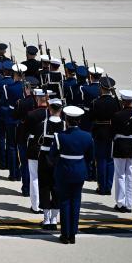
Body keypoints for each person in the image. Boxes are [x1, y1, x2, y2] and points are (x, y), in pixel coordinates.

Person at [52, 105, 94, 244]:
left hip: (64, 172)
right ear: (80, 120)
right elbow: (90, 157)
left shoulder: (60, 136)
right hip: (79, 172)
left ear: (66, 120)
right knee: (76, 202)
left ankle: (65, 234)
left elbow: (52, 156)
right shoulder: (87, 136)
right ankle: (73, 234)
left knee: (64, 202)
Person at [35, 97, 64, 229]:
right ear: (61, 109)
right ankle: (54, 219)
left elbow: (37, 140)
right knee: (57, 188)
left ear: (49, 108)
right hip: (59, 159)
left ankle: (46, 219)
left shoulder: (43, 124)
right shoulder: (65, 125)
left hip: (45, 158)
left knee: (44, 187)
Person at [23, 87, 53, 213]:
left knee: (34, 177)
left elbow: (26, 131)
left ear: (37, 98)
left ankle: (35, 206)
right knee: (47, 179)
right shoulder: (53, 114)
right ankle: (46, 204)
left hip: (34, 148)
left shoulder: (31, 114)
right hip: (48, 150)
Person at [90, 74, 120, 195]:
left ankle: (101, 187)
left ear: (101, 88)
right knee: (110, 160)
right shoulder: (116, 102)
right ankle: (108, 187)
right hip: (112, 132)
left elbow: (91, 117)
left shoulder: (96, 102)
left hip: (99, 133)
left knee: (101, 160)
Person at [111, 89, 132, 213]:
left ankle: (120, 203)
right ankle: (129, 203)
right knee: (130, 175)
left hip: (119, 146)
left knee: (120, 175)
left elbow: (112, 132)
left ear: (123, 101)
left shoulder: (117, 115)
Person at [13, 76, 40, 198]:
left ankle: (26, 189)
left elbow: (15, 116)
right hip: (38, 139)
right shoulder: (41, 104)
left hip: (23, 136)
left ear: (27, 88)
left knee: (24, 164)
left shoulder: (21, 102)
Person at [3, 63, 27, 181]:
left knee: (12, 146)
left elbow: (6, 101)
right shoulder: (27, 88)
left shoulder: (8, 87)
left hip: (12, 118)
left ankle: (13, 173)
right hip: (23, 119)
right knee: (22, 146)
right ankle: (22, 173)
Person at [0, 60, 14, 169]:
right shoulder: (14, 83)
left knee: (2, 138)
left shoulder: (0, 82)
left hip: (1, 111)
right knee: (11, 140)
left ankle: (2, 162)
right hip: (11, 113)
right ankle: (9, 162)